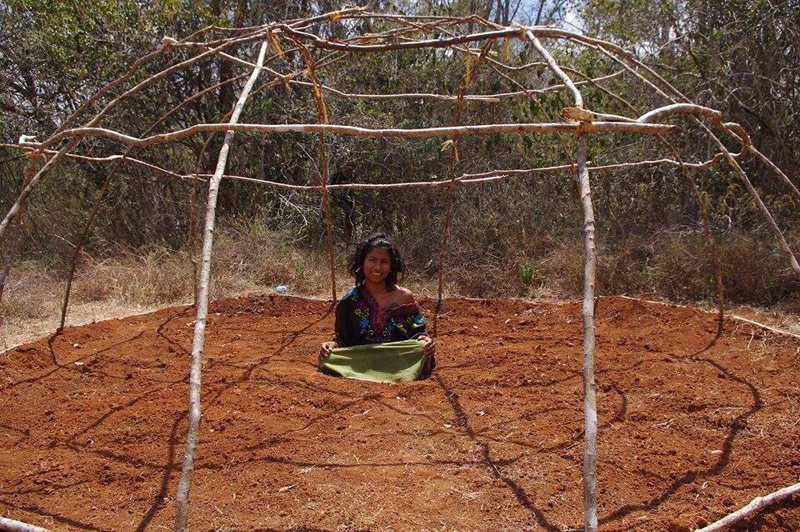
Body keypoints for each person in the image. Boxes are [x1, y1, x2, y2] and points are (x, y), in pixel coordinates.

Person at [319, 233, 435, 370]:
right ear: (362, 262)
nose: (378, 267)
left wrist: (425, 341)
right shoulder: (349, 301)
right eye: (372, 260)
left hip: (397, 360)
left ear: (392, 265)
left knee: (421, 349)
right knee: (329, 358)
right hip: (362, 362)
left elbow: (418, 333)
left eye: (384, 262)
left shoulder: (404, 297)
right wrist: (331, 345)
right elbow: (343, 340)